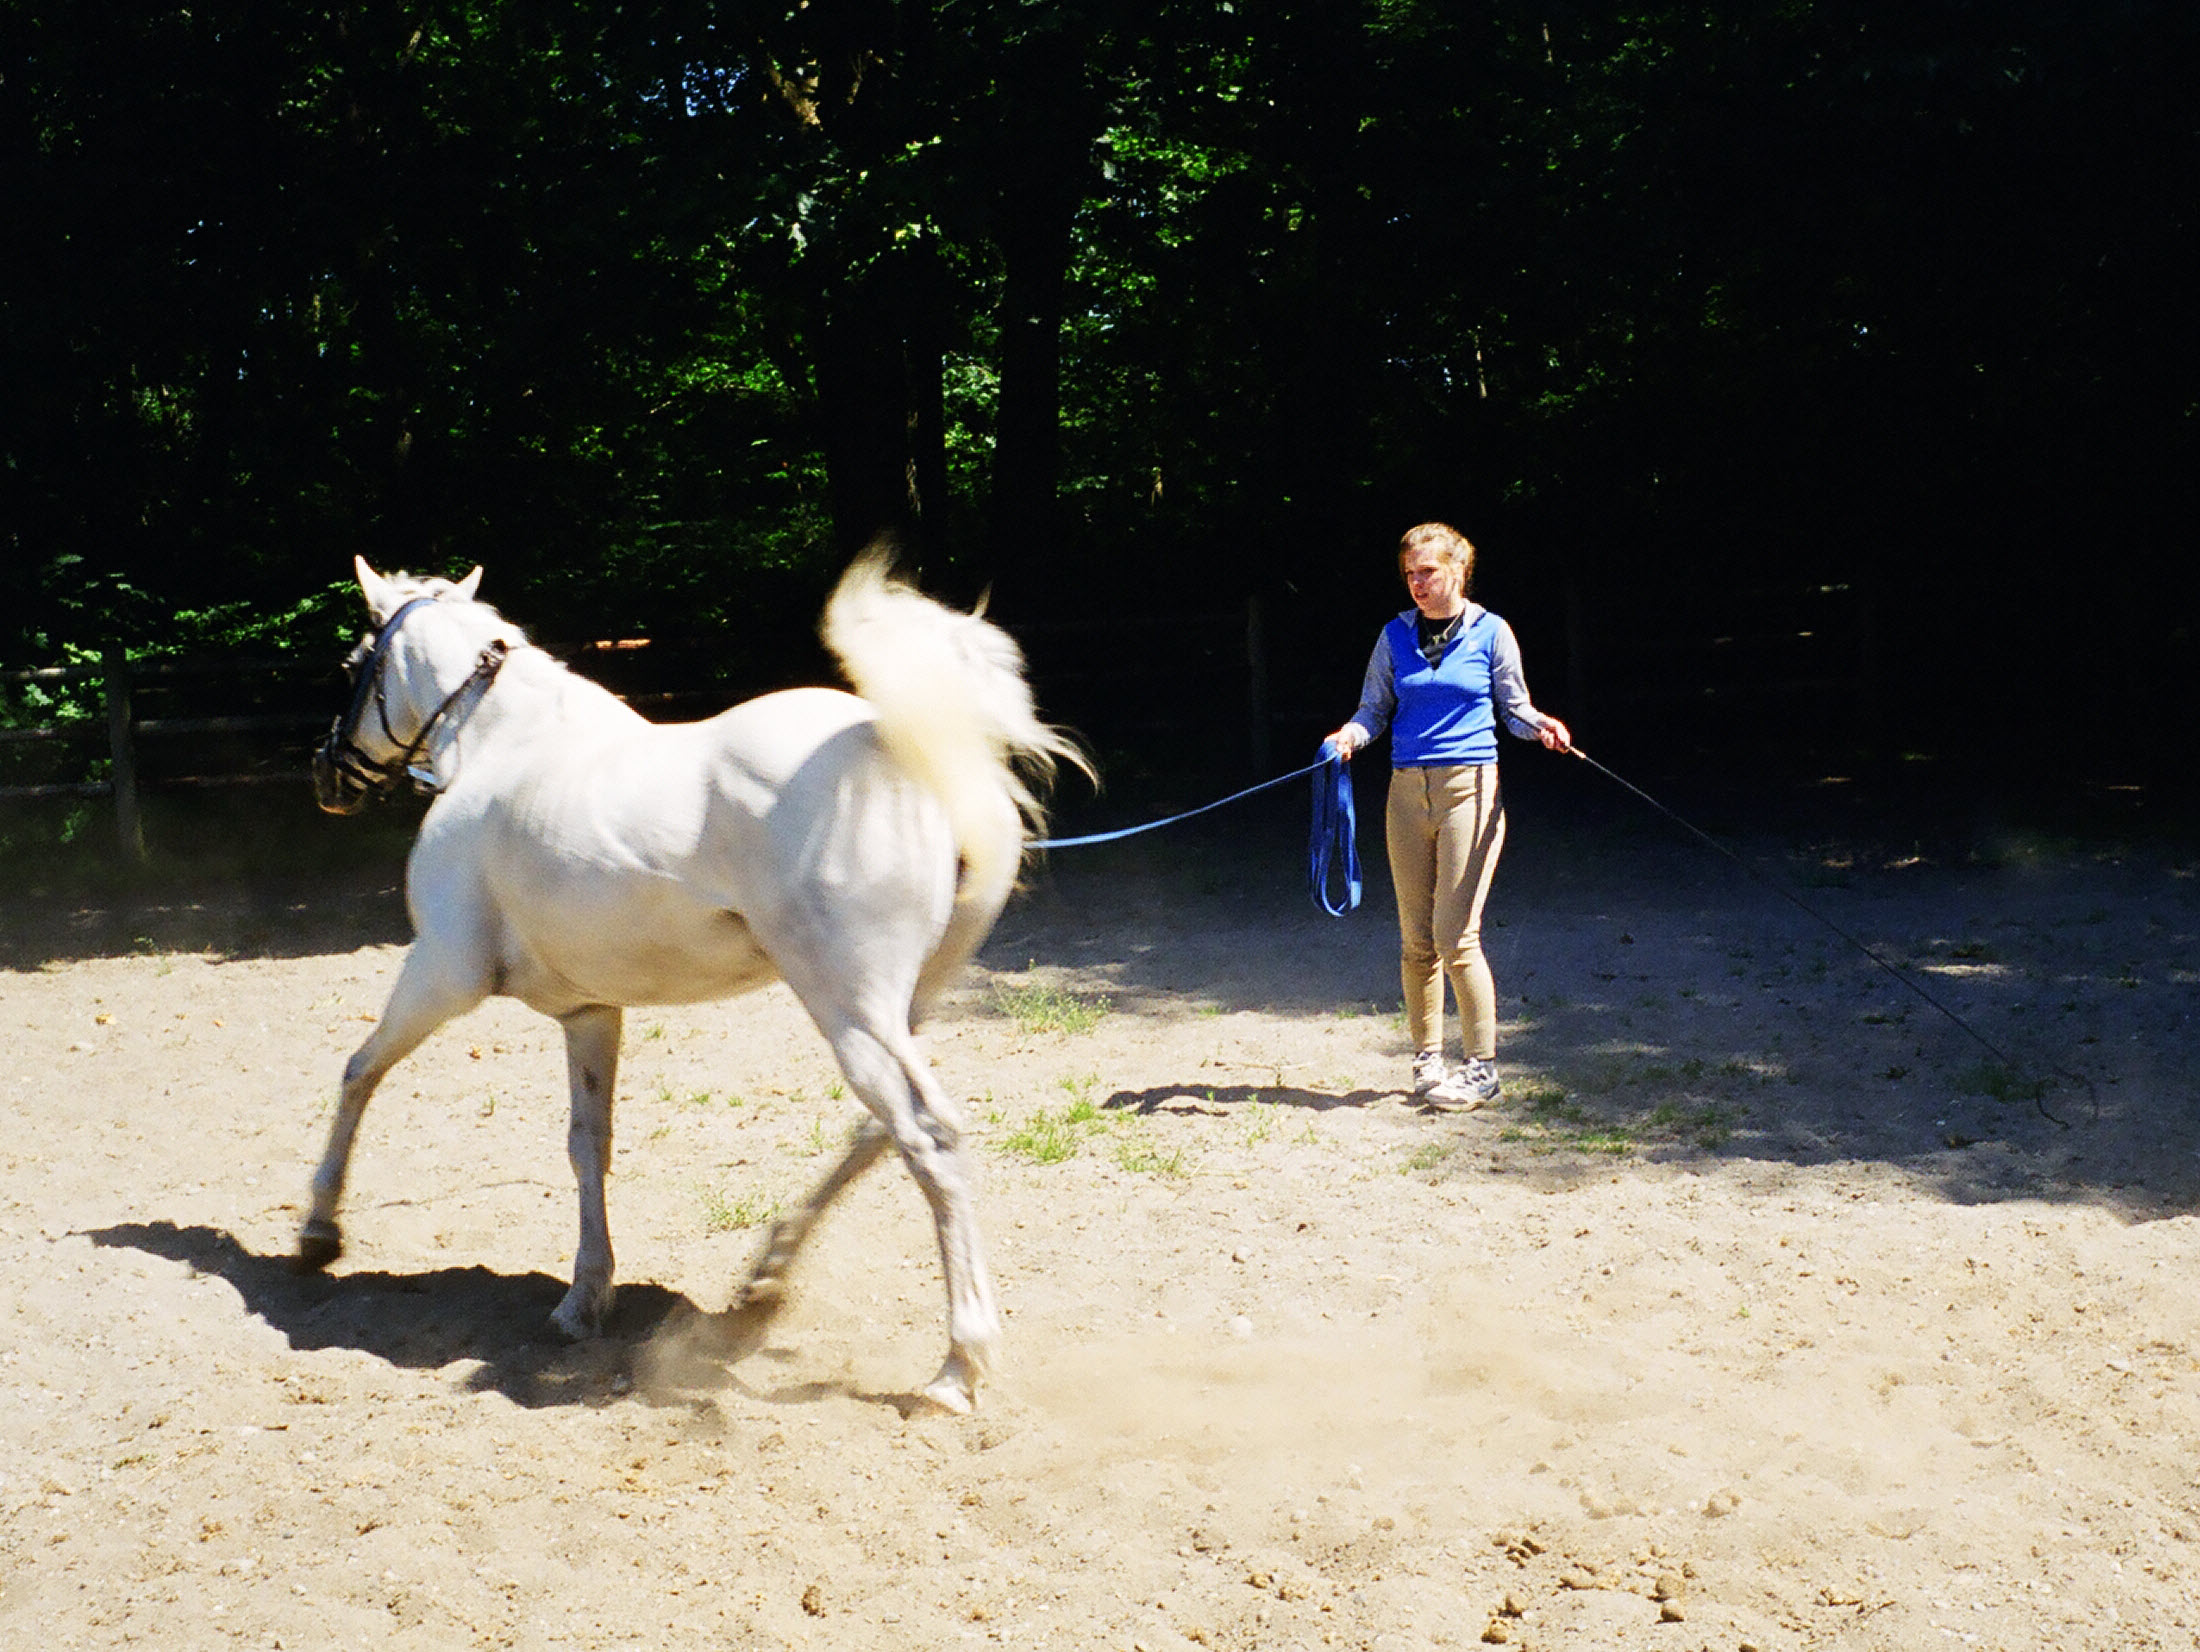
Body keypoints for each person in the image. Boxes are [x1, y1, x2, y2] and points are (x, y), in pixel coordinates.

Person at [1325, 522, 1570, 1110]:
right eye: (1410, 573)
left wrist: (1542, 729)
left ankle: (1482, 1066)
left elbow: (1514, 709)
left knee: (1455, 935)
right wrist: (1348, 737)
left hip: (1471, 790)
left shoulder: (1492, 632)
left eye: (1428, 572)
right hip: (1406, 795)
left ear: (1459, 570)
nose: (1417, 583)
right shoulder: (1393, 636)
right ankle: (1427, 1058)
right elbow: (1374, 708)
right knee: (1415, 940)